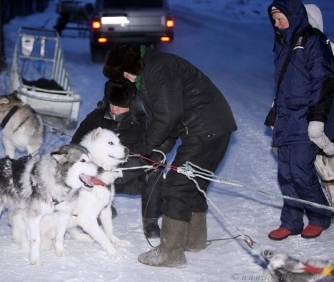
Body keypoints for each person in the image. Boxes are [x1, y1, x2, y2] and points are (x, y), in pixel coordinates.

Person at [103, 43, 237, 267]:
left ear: (133, 64)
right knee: (194, 184)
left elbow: (168, 115)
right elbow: (170, 119)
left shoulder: (157, 70)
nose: (126, 78)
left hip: (204, 129)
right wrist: (159, 150)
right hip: (212, 128)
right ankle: (194, 241)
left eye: (126, 72)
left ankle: (170, 252)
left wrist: (146, 146)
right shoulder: (155, 67)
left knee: (176, 186)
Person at [264, 0, 334, 241]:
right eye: (273, 19)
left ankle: (320, 217)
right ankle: (291, 222)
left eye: (280, 17)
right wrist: (274, 114)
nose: (276, 23)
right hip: (286, 118)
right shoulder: (284, 44)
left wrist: (317, 120)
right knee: (285, 174)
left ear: (293, 15)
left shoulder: (312, 39)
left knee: (301, 172)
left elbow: (323, 79)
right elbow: (283, 85)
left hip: (305, 117)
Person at [71, 80, 164, 239]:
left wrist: (124, 171)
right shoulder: (96, 117)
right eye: (112, 102)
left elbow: (153, 152)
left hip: (127, 176)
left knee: (155, 174)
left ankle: (150, 221)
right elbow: (75, 144)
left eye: (120, 104)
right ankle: (97, 211)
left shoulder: (141, 121)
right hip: (96, 177)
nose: (114, 107)